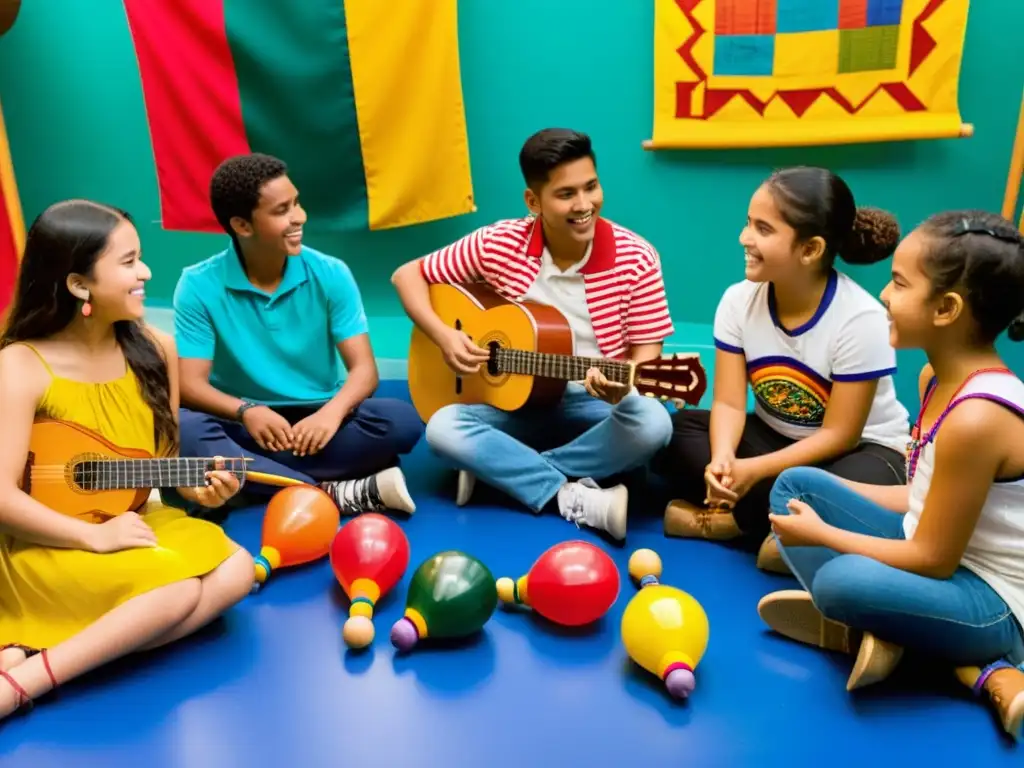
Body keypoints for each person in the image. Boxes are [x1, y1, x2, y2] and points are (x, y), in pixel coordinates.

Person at [758, 210, 1024, 741]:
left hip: (997, 601)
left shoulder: (979, 417)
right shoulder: (935, 375)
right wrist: (829, 498)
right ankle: (898, 632)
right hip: (942, 561)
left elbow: (932, 556)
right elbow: (923, 497)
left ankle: (983, 664)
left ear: (947, 309)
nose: (883, 294)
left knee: (838, 581)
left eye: (900, 283)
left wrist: (825, 533)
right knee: (795, 486)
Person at [0, 200, 253, 720]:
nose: (146, 273)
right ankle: (25, 684)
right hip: (41, 540)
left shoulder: (158, 351)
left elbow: (154, 471)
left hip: (129, 520)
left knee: (238, 570)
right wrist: (92, 536)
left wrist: (197, 492)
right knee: (176, 591)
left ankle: (50, 648)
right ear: (78, 285)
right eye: (129, 261)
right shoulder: (21, 365)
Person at [391, 128, 675, 541]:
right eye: (566, 195)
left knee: (653, 422)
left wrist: (619, 390)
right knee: (442, 427)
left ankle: (506, 471)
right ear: (533, 201)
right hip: (512, 408)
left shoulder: (636, 258)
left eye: (591, 187)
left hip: (590, 410)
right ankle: (568, 492)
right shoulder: (499, 243)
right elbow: (407, 275)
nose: (584, 205)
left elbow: (647, 367)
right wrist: (444, 336)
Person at [650, 167, 910, 568]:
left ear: (810, 250)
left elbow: (840, 436)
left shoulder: (861, 319)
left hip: (860, 450)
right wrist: (723, 461)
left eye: (763, 229)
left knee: (847, 487)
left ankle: (735, 523)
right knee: (679, 433)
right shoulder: (738, 301)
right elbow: (731, 405)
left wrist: (752, 470)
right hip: (776, 439)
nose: (744, 238)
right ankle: (784, 531)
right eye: (748, 223)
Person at [172, 153, 423, 519]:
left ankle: (256, 478)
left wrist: (331, 415)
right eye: (281, 210)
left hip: (317, 419)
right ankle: (329, 492)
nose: (299, 217)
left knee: (401, 423)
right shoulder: (196, 284)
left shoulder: (331, 272)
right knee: (183, 429)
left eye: (297, 203)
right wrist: (247, 410)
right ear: (242, 225)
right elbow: (190, 384)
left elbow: (365, 370)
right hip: (241, 422)